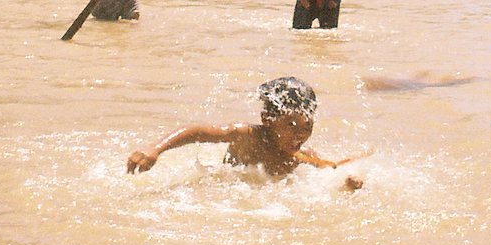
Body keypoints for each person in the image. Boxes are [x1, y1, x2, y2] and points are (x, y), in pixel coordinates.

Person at [126, 76, 364, 188]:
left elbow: (330, 174)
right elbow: (196, 131)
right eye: (290, 125)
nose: (300, 135)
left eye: (307, 126)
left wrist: (348, 183)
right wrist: (155, 148)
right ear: (267, 120)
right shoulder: (247, 136)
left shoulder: (303, 156)